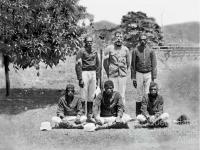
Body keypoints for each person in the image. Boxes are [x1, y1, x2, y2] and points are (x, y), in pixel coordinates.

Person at [131, 34, 157, 116]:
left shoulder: (151, 51)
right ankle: (138, 114)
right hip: (139, 73)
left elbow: (154, 64)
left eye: (144, 39)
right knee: (139, 93)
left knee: (147, 93)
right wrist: (133, 78)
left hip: (148, 74)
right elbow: (133, 65)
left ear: (146, 40)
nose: (143, 41)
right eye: (141, 39)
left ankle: (147, 112)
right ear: (139, 41)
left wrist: (153, 77)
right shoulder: (135, 51)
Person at [75, 36, 100, 121]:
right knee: (83, 93)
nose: (89, 43)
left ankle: (89, 114)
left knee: (92, 94)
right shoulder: (81, 51)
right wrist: (80, 78)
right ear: (85, 42)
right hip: (84, 72)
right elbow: (77, 65)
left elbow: (98, 65)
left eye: (91, 42)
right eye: (87, 42)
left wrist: (97, 78)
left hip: (93, 73)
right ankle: (82, 113)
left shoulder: (95, 51)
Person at [104, 31, 130, 105]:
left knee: (122, 94)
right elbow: (105, 63)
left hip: (122, 75)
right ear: (114, 38)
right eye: (117, 37)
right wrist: (108, 72)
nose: (119, 39)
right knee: (112, 94)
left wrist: (124, 72)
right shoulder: (109, 48)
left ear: (123, 39)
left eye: (121, 37)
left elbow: (128, 63)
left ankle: (121, 111)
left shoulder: (126, 49)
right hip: (112, 75)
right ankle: (113, 111)